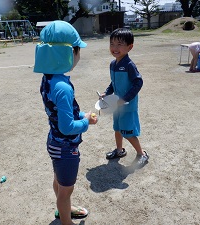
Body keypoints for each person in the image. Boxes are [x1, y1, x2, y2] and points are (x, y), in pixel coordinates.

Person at [33, 21, 98, 225]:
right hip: (65, 147)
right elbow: (67, 127)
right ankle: (66, 219)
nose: (79, 56)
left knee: (60, 182)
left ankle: (65, 209)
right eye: (77, 51)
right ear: (68, 54)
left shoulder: (49, 78)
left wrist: (80, 115)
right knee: (66, 189)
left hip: (54, 142)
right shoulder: (63, 87)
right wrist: (86, 122)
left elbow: (60, 115)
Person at [100, 28, 149, 168]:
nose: (115, 48)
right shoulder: (113, 64)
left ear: (130, 47)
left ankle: (142, 154)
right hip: (116, 104)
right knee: (117, 128)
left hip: (127, 106)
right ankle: (120, 150)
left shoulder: (129, 65)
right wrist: (107, 93)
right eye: (112, 44)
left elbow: (138, 82)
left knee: (127, 131)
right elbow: (113, 82)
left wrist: (126, 98)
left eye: (119, 44)